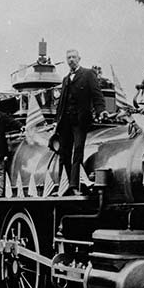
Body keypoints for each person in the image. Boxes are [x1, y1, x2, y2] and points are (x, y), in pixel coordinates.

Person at [55, 49, 107, 195]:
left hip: (80, 121)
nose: (71, 60)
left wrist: (101, 110)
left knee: (78, 151)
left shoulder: (88, 74)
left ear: (79, 59)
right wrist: (56, 121)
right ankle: (63, 183)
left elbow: (97, 94)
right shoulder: (65, 79)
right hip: (65, 121)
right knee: (63, 153)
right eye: (68, 58)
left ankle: (73, 185)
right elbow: (62, 103)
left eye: (73, 57)